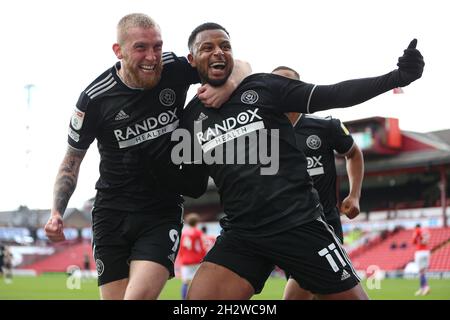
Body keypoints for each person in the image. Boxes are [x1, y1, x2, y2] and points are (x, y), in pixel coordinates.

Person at [165, 22, 423, 300]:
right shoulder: (191, 119)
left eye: (225, 46)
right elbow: (192, 185)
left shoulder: (264, 87)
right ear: (192, 59)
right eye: (208, 47)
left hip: (299, 224)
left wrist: (397, 77)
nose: (219, 52)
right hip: (242, 233)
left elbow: (334, 93)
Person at [44, 13, 249, 300]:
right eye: (141, 47)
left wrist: (227, 86)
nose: (152, 57)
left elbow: (239, 65)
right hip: (111, 212)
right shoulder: (94, 99)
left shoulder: (173, 69)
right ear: (119, 51)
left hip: (160, 210)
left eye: (157, 46)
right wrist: (56, 212)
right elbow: (71, 161)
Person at [271, 66, 364, 299]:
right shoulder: (263, 132)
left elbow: (353, 153)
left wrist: (354, 195)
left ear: (299, 90)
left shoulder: (324, 126)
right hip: (285, 228)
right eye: (274, 84)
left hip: (323, 225)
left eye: (287, 84)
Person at [177, 213, 207, 299]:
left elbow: (181, 248)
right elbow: (201, 247)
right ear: (197, 222)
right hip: (196, 260)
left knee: (185, 282)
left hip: (186, 261)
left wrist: (181, 259)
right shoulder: (198, 233)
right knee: (198, 282)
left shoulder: (183, 233)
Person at [412, 223, 431, 295]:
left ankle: (426, 286)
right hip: (427, 252)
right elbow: (427, 239)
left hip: (420, 252)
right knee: (423, 272)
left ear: (416, 227)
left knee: (421, 272)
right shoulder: (426, 230)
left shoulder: (417, 230)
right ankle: (421, 288)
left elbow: (413, 241)